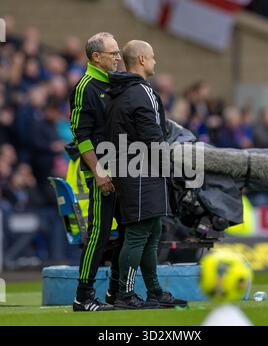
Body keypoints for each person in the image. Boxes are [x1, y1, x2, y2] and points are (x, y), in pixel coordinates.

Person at [106, 40, 187, 309]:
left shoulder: (119, 91)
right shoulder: (143, 91)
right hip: (141, 171)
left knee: (152, 231)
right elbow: (154, 137)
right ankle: (125, 295)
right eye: (152, 57)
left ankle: (154, 291)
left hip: (128, 168)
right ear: (141, 59)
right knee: (139, 234)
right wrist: (171, 169)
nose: (155, 62)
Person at [70, 32, 122, 311]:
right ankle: (83, 296)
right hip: (103, 176)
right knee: (99, 235)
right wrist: (100, 172)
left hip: (123, 171)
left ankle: (117, 293)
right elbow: (81, 135)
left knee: (125, 234)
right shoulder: (86, 87)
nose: (118, 57)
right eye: (113, 53)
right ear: (96, 57)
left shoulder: (114, 82)